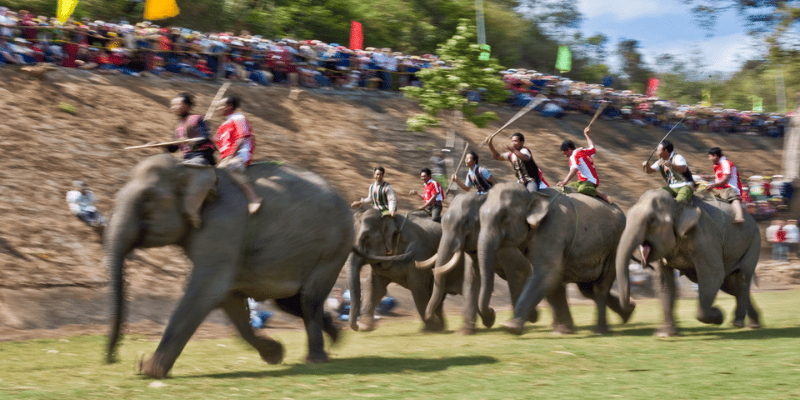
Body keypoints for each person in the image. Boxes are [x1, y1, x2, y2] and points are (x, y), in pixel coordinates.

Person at [215, 95, 263, 214]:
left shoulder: (239, 118)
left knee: (232, 168)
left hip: (239, 154)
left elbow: (241, 138)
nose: (218, 108)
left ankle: (254, 198)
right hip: (226, 157)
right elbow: (219, 144)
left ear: (230, 106)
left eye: (221, 105)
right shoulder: (221, 126)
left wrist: (232, 156)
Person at [557, 127, 612, 204]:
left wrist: (564, 181)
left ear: (569, 149)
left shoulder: (574, 155)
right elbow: (592, 147)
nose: (565, 156)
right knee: (567, 188)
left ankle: (601, 195)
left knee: (582, 189)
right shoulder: (582, 152)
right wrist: (586, 135)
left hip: (590, 181)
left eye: (565, 153)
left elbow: (574, 169)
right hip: (581, 181)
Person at [698, 147, 745, 223]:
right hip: (719, 188)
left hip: (729, 187)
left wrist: (713, 185)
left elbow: (726, 178)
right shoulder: (716, 165)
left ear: (715, 156)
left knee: (733, 198)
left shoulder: (725, 163)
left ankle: (739, 216)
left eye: (710, 156)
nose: (709, 159)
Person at [167, 92, 216, 166]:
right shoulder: (178, 125)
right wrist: (161, 145)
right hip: (187, 157)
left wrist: (187, 140)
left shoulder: (197, 119)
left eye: (177, 104)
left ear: (188, 106)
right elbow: (173, 149)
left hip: (201, 156)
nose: (174, 107)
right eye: (172, 105)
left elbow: (204, 138)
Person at [641, 139, 695, 204]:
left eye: (658, 150)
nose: (657, 152)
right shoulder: (660, 161)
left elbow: (684, 169)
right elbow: (650, 171)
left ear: (665, 150)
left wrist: (671, 165)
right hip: (672, 187)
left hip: (685, 186)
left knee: (678, 203)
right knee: (653, 196)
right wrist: (647, 166)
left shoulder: (677, 157)